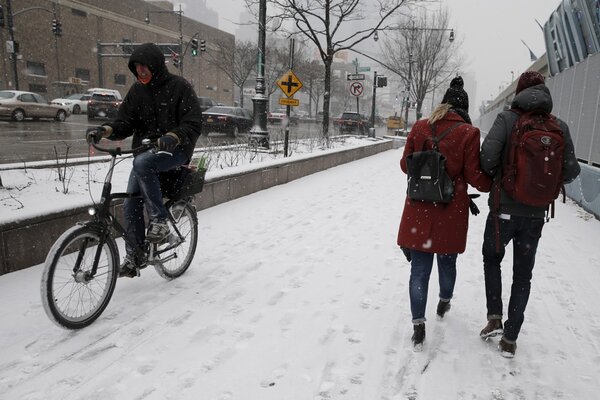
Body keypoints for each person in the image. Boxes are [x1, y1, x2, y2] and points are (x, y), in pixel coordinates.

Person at [479, 71, 580, 357]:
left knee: (492, 260)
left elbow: (487, 158)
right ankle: (510, 337)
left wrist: (502, 175)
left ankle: (495, 317)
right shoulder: (559, 126)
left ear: (519, 93)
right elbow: (571, 171)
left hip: (503, 211)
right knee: (523, 276)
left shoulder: (506, 119)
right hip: (535, 215)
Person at [86, 42, 202, 278]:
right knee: (130, 203)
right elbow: (125, 123)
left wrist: (174, 136)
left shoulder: (179, 87)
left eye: (144, 66)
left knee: (142, 163)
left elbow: (193, 122)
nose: (140, 71)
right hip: (145, 152)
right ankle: (135, 255)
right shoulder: (137, 91)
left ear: (156, 65)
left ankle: (159, 220)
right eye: (136, 67)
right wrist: (106, 130)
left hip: (175, 150)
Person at [397, 77, 492, 350]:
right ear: (464, 108)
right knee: (447, 263)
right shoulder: (468, 133)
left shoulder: (419, 127)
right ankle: (443, 302)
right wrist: (492, 185)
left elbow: (405, 165)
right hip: (451, 211)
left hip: (418, 210)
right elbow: (475, 175)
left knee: (419, 270)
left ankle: (417, 324)